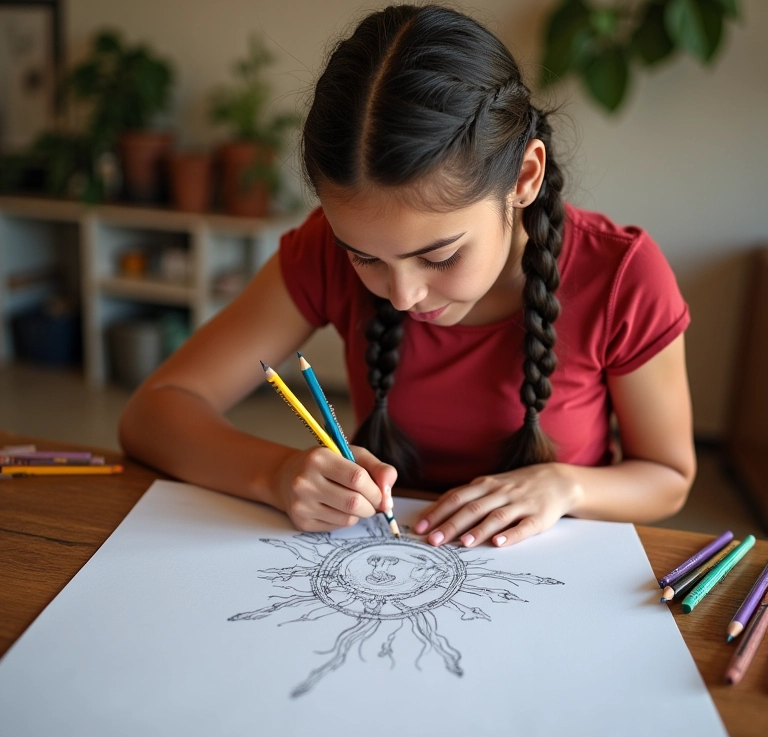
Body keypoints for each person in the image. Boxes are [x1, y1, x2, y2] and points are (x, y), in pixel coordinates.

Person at [119, 3, 696, 549]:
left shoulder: (622, 275)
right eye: (363, 257)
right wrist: (276, 473)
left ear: (524, 177)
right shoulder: (322, 248)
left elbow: (668, 477)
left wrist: (566, 486)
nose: (402, 295)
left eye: (440, 257)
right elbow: (155, 412)